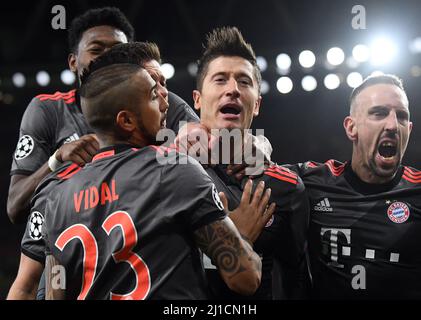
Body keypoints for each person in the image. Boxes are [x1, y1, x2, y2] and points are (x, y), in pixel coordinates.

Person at [40, 49, 265, 300]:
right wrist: (240, 236)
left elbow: (53, 296)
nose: (165, 101)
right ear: (126, 121)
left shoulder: (56, 199)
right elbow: (245, 278)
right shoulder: (176, 170)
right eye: (152, 96)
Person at [6, 7, 197, 300]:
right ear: (73, 61)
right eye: (96, 49)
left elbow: (209, 142)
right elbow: (16, 207)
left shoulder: (159, 100)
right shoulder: (48, 110)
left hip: (143, 261)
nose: (106, 57)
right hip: (65, 265)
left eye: (117, 50)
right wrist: (56, 161)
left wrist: (248, 145)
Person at [180, 26, 310, 299]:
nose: (233, 90)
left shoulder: (285, 188)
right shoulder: (171, 175)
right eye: (220, 79)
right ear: (198, 100)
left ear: (258, 104)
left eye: (244, 81)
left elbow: (294, 279)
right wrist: (233, 238)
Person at [289, 74, 421, 299]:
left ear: (409, 128)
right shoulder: (313, 181)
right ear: (351, 127)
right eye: (379, 113)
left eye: (401, 116)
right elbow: (254, 168)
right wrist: (256, 144)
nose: (392, 125)